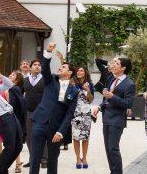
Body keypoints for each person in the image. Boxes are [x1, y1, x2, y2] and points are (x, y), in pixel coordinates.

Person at [29, 43, 79, 174]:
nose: (60, 68)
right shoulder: (50, 79)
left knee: (52, 160)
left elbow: (69, 114)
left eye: (63, 67)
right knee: (35, 157)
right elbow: (45, 67)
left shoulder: (74, 91)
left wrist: (61, 132)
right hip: (39, 122)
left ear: (70, 72)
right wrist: (49, 51)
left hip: (55, 129)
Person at [91, 56, 135, 174]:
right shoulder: (110, 79)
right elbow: (106, 99)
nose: (112, 65)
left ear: (123, 67)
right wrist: (99, 107)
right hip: (106, 118)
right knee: (108, 149)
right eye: (113, 62)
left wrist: (112, 96)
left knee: (113, 149)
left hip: (117, 120)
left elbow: (128, 103)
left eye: (116, 63)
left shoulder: (129, 84)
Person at [22, 57, 47, 169]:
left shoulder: (45, 79)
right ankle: (33, 158)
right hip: (28, 111)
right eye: (35, 64)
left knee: (42, 135)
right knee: (29, 136)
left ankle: (44, 159)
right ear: (30, 68)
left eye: (39, 65)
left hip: (42, 112)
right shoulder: (25, 80)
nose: (37, 66)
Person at [71, 67, 94, 170]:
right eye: (78, 71)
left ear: (85, 73)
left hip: (86, 115)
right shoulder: (73, 83)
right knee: (76, 137)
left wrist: (88, 90)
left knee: (85, 137)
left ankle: (84, 158)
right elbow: (69, 97)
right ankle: (77, 158)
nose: (79, 72)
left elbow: (91, 100)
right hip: (75, 113)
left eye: (81, 70)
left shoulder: (89, 84)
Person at [7, 70, 26, 174]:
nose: (10, 75)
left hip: (12, 118)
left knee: (12, 144)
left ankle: (14, 164)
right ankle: (17, 163)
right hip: (15, 118)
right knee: (15, 143)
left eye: (13, 75)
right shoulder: (14, 88)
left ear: (17, 79)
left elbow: (12, 106)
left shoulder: (14, 89)